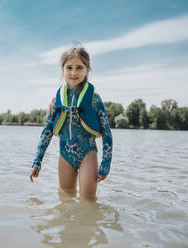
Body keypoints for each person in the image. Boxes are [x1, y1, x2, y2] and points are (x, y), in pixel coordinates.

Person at [30, 46, 112, 199]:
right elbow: (47, 131)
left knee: (88, 200)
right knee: (65, 200)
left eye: (79, 67)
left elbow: (107, 133)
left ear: (87, 70)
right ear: (62, 69)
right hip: (65, 155)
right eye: (69, 67)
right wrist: (37, 161)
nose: (74, 73)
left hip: (87, 154)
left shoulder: (94, 99)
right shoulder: (57, 100)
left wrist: (106, 164)